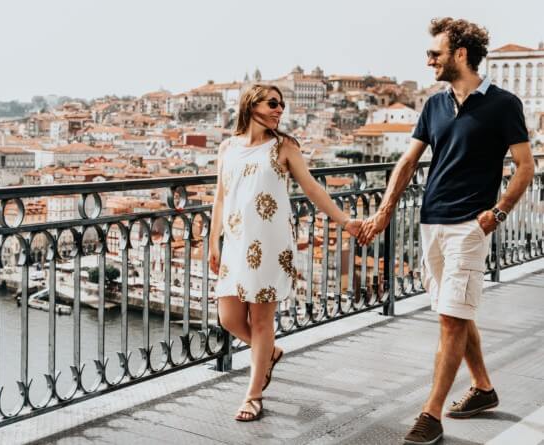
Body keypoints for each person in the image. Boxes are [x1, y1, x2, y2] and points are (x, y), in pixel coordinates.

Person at [357, 17, 534, 445]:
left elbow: (525, 167)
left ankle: (430, 414)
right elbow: (407, 162)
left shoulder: (504, 104)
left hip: (470, 228)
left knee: (452, 322)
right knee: (454, 312)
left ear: (460, 55)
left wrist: (499, 212)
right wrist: (383, 212)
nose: (428, 60)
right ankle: (484, 390)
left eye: (434, 53)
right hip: (431, 223)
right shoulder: (434, 104)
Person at [209, 83, 362, 421]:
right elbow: (220, 196)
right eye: (273, 103)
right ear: (251, 105)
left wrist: (345, 221)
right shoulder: (227, 148)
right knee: (229, 318)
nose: (280, 110)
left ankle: (253, 395)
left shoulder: (284, 147)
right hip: (235, 243)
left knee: (261, 321)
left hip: (271, 244)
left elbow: (312, 189)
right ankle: (269, 354)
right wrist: (212, 241)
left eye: (282, 106)